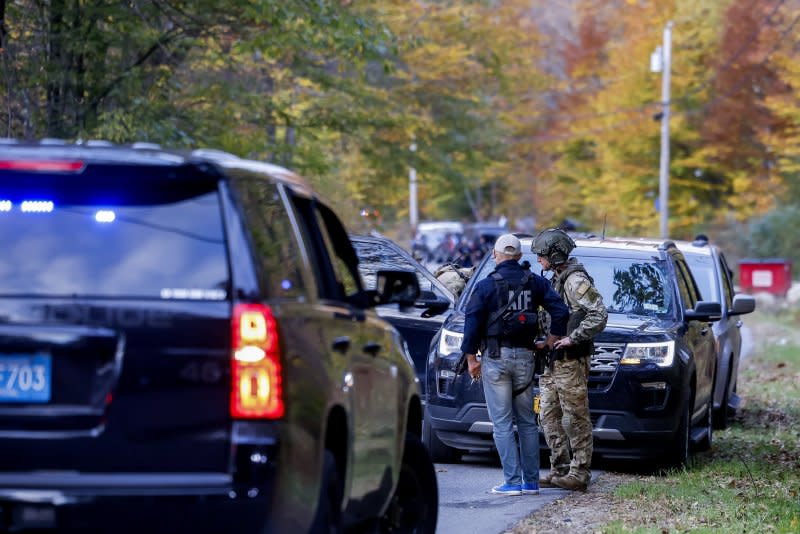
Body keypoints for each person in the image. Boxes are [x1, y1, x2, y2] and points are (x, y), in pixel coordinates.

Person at [461, 234, 569, 496]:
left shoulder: (486, 286)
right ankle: (531, 482)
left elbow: (472, 322)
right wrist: (551, 339)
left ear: (496, 255)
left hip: (495, 360)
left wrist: (471, 359)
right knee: (528, 423)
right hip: (526, 359)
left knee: (502, 424)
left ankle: (512, 482)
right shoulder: (535, 283)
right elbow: (561, 311)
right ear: (520, 257)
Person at [532, 228, 608, 492]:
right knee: (547, 413)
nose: (539, 260)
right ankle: (560, 468)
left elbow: (598, 314)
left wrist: (573, 337)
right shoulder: (556, 279)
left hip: (570, 359)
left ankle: (579, 471)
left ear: (555, 255)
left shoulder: (575, 281)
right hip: (552, 359)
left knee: (574, 416)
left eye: (542, 255)